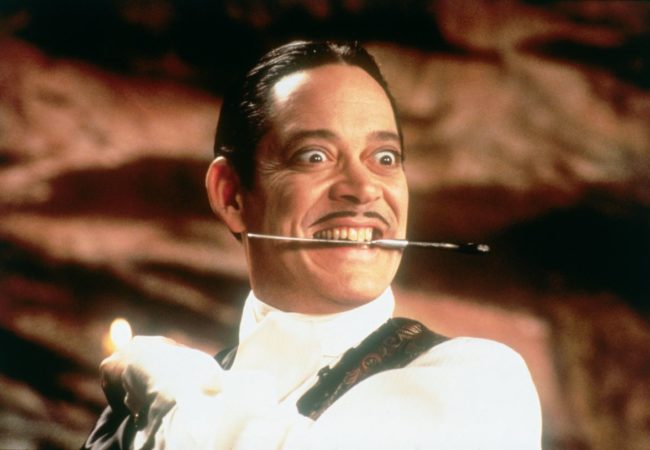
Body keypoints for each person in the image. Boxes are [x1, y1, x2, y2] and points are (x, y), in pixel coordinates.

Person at [82, 40, 542, 450]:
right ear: (231, 195)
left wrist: (175, 386)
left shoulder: (479, 381)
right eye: (314, 156)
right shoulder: (153, 412)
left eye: (385, 158)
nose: (363, 189)